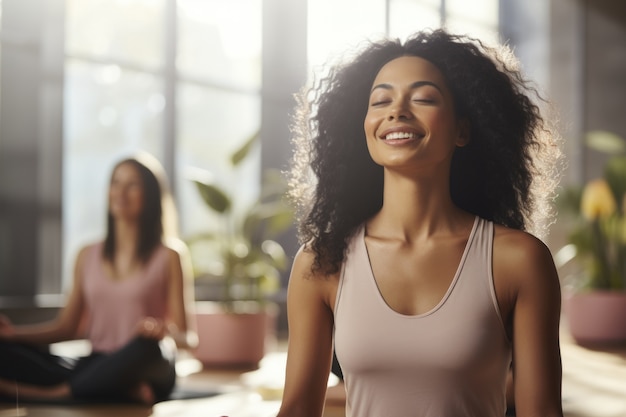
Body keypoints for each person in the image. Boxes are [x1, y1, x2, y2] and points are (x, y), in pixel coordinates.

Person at [277, 29, 564, 417]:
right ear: (361, 128)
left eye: (424, 98)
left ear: (463, 129)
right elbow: (296, 410)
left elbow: (542, 413)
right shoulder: (321, 264)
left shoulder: (518, 260)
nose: (397, 111)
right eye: (380, 100)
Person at [0, 152, 198, 405]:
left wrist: (163, 332)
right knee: (5, 352)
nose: (120, 192)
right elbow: (67, 327)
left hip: (146, 361)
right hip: (96, 363)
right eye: (115, 183)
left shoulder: (170, 255)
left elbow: (188, 338)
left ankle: (55, 395)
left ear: (151, 196)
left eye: (132, 185)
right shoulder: (86, 255)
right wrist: (12, 335)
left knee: (149, 349)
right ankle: (120, 390)